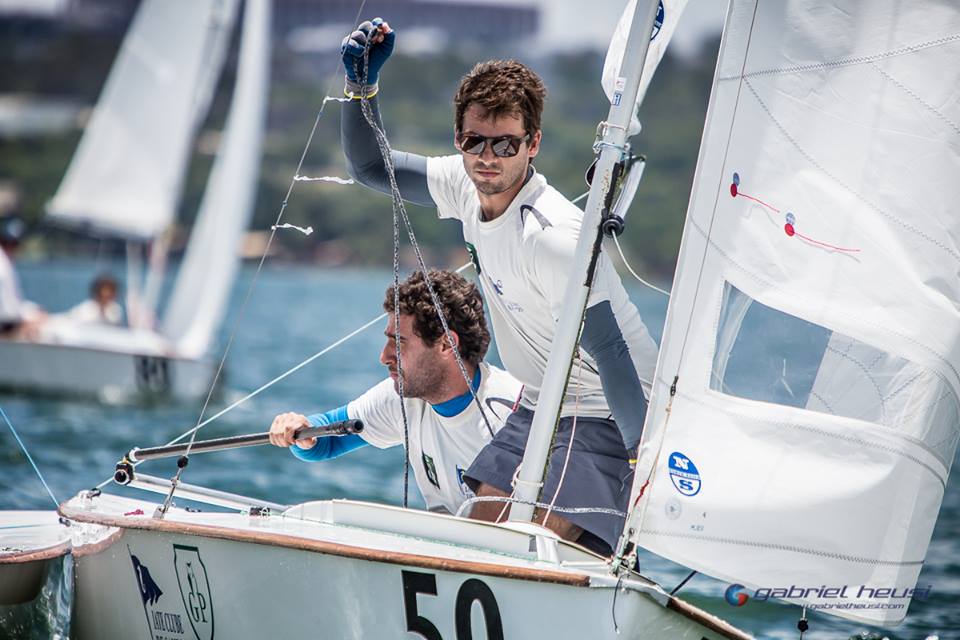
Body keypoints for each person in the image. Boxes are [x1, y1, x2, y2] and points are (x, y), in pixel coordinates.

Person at [337, 20, 659, 556]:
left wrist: (641, 456)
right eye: (474, 141)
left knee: (523, 547)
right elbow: (372, 167)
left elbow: (610, 350)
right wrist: (360, 87)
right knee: (480, 532)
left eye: (506, 144)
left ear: (532, 144)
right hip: (539, 403)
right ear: (459, 139)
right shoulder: (463, 185)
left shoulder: (552, 237)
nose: (488, 157)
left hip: (607, 407)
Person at [269, 269, 521, 515]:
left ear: (446, 344)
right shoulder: (403, 399)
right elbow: (327, 442)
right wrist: (301, 429)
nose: (384, 356)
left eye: (399, 342)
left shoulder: (513, 414)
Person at [0, 215, 45, 338]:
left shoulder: (5, 262)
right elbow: (8, 312)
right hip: (7, 325)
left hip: (9, 321)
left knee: (39, 314)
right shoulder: (3, 265)